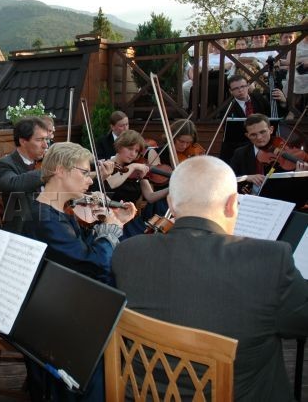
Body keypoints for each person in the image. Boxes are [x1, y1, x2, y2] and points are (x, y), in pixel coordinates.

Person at [112, 156, 308, 401]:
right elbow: (299, 323)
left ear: (171, 203)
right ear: (232, 204)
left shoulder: (128, 252)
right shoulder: (271, 259)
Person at [21, 142, 136, 401]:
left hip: (64, 299)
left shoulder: (55, 210)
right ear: (60, 171)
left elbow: (79, 255)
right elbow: (93, 266)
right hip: (55, 317)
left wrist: (111, 227)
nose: (90, 180)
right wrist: (110, 233)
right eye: (84, 173)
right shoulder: (46, 220)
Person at [104, 130, 169, 238]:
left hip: (131, 221)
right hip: (110, 218)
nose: (133, 154)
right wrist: (132, 167)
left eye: (137, 151)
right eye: (130, 149)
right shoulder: (107, 166)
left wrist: (170, 188)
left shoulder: (137, 169)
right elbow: (110, 184)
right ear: (119, 146)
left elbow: (150, 197)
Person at [0, 117, 50, 234]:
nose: (45, 145)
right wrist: (49, 171)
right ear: (23, 141)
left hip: (51, 224)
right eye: (39, 140)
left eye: (46, 139)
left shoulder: (45, 162)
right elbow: (12, 184)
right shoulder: (4, 164)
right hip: (24, 231)